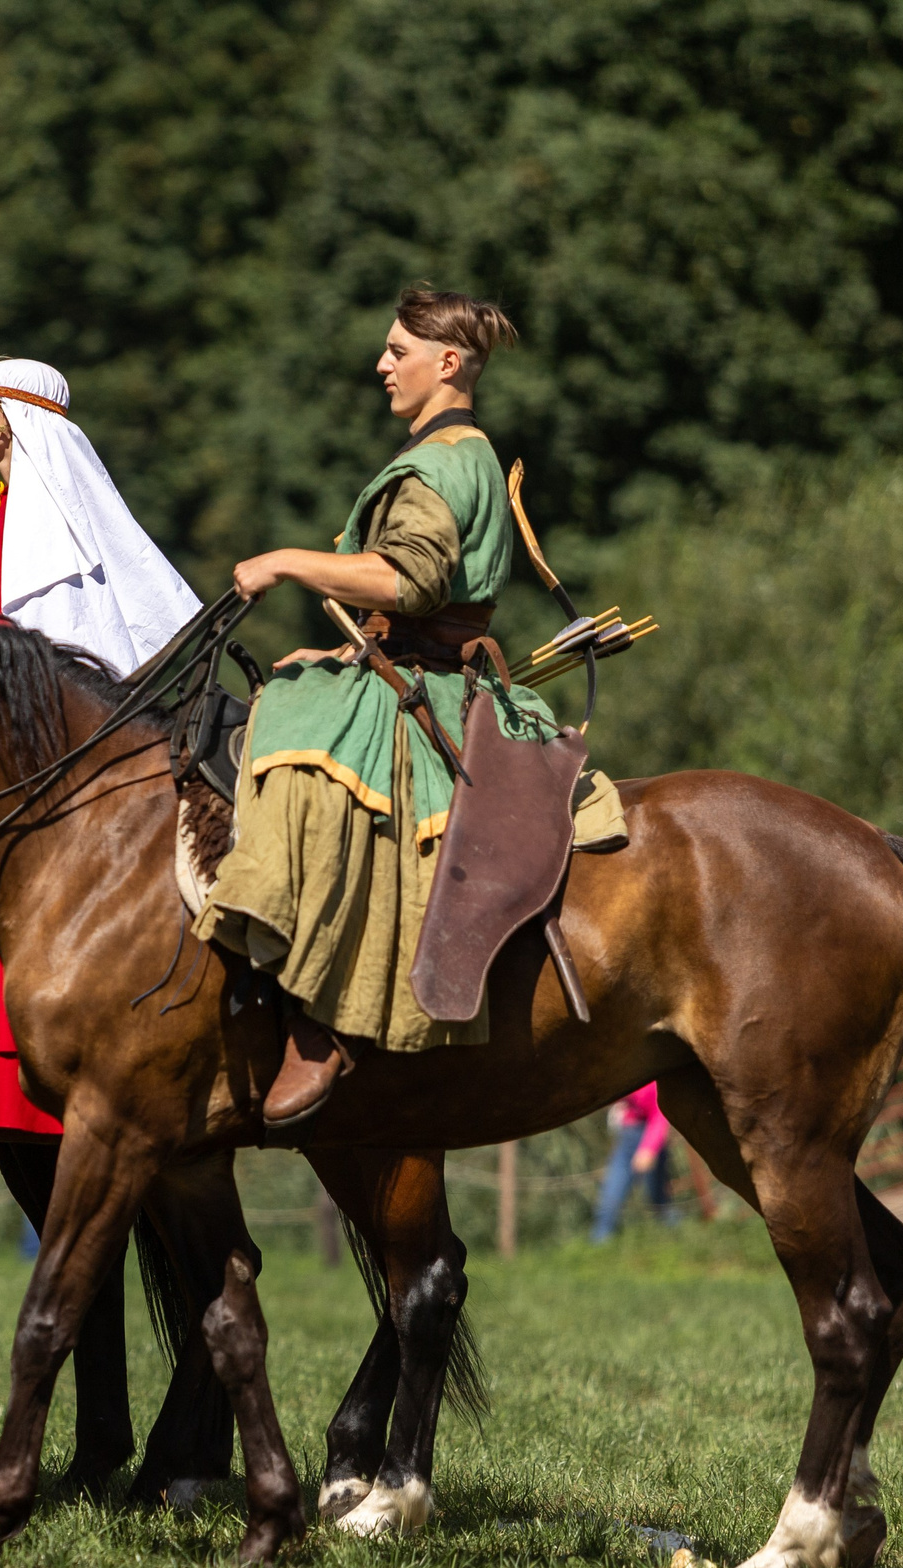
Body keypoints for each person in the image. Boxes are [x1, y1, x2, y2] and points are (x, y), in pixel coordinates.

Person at [197, 285, 560, 1126]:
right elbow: (411, 603)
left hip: (430, 686)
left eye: (399, 351)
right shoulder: (457, 454)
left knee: (294, 750)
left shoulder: (439, 462)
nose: (382, 365)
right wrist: (347, 648)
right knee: (292, 690)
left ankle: (321, 1018)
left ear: (449, 363)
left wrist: (286, 560)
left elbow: (411, 578)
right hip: (409, 659)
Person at [0, 357, 205, 1086]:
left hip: (35, 735)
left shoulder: (42, 522)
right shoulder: (1, 513)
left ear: (15, 419)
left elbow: (38, 641)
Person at [591, 1083, 678, 1241]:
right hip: (627, 1138)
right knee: (611, 1194)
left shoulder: (649, 1083)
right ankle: (599, 1241)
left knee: (658, 1197)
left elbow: (659, 1114)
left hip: (648, 1136)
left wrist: (649, 1149)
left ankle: (673, 1236)